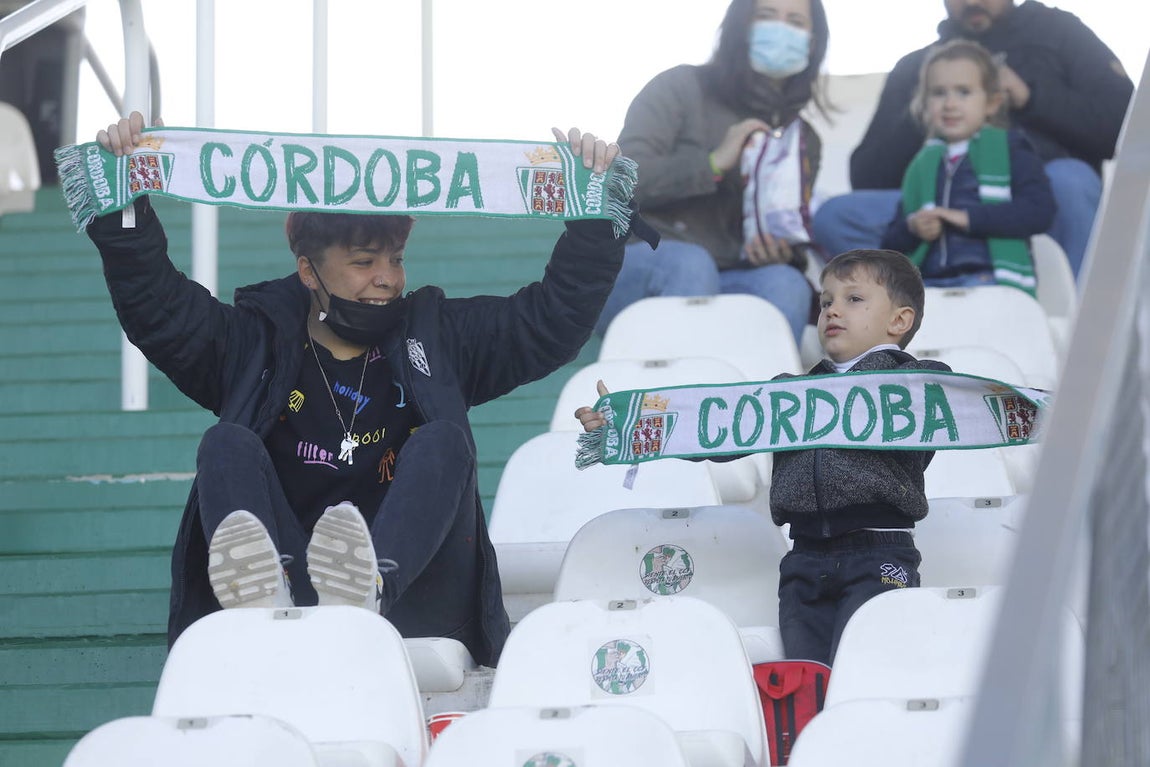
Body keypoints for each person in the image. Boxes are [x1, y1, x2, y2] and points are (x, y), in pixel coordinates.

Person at [88, 111, 634, 668]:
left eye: (394, 259)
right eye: (363, 261)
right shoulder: (250, 343)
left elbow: (547, 322)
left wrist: (594, 221)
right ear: (308, 272)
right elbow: (158, 307)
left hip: (413, 609)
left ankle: (366, 589)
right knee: (226, 444)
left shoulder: (438, 336)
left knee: (443, 441)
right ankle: (271, 600)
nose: (388, 278)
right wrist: (124, 193)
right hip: (286, 606)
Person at [576, 249, 949, 665]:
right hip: (804, 562)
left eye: (853, 299)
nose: (832, 311)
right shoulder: (787, 392)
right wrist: (631, 424)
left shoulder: (916, 386)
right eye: (826, 302)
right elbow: (716, 430)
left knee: (867, 669)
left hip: (880, 554)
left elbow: (954, 402)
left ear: (900, 320)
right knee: (808, 677)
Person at [813, 0, 1133, 279]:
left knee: (1071, 181)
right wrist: (926, 107)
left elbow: (1124, 123)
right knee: (836, 216)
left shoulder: (1059, 32)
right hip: (940, 208)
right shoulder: (916, 67)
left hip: (1033, 204)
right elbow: (867, 177)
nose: (972, 0)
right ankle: (915, 307)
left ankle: (1072, 325)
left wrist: (1030, 97)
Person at [596, 0, 832, 344]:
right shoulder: (679, 86)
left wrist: (782, 252)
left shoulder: (804, 139)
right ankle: (675, 391)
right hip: (638, 262)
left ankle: (760, 393)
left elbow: (791, 226)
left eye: (795, 21)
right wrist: (712, 163)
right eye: (766, 16)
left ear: (813, 42)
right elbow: (618, 180)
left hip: (733, 275)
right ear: (740, 25)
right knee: (691, 264)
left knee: (786, 282)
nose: (781, 29)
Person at [881, 39, 1055, 293]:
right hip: (930, 286)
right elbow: (890, 241)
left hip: (991, 281)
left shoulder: (1010, 149)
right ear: (925, 102)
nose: (950, 104)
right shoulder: (922, 164)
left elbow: (1039, 211)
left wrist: (967, 218)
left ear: (992, 103)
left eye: (963, 92)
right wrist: (913, 227)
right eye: (939, 93)